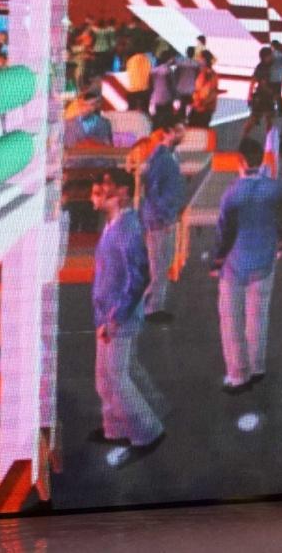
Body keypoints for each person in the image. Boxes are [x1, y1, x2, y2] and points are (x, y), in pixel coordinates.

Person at [88, 170, 164, 459]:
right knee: (104, 378)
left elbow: (139, 276)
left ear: (121, 192)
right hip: (107, 316)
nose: (98, 189)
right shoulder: (114, 224)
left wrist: (115, 317)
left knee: (116, 378)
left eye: (105, 186)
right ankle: (115, 429)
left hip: (118, 318)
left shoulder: (127, 227)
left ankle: (147, 433)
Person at [215, 137, 282, 393]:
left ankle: (238, 374)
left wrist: (216, 261)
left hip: (236, 264)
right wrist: (279, 245)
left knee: (232, 319)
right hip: (264, 261)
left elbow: (225, 232)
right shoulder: (275, 188)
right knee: (258, 315)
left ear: (241, 161)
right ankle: (257, 366)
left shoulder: (232, 193)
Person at [138, 111, 185, 323]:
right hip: (160, 220)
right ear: (167, 132)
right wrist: (164, 217)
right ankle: (149, 308)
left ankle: (153, 306)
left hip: (164, 218)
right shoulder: (161, 159)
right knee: (158, 266)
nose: (183, 134)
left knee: (161, 265)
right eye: (179, 130)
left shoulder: (169, 156)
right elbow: (153, 192)